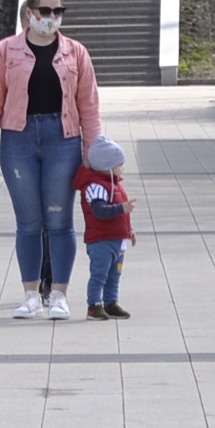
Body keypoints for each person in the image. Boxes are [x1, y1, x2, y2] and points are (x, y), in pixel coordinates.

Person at [0, 0, 103, 320]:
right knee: (29, 221)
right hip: (18, 139)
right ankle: (31, 294)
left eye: (58, 11)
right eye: (45, 11)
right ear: (30, 14)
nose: (52, 17)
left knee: (60, 219)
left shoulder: (75, 52)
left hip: (62, 138)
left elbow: (89, 106)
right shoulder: (6, 51)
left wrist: (93, 151)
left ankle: (59, 294)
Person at [74, 134, 136, 321]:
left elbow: (122, 216)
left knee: (114, 275)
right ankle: (94, 305)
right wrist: (121, 208)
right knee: (99, 274)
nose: (123, 168)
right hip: (101, 240)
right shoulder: (96, 186)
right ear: (107, 166)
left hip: (117, 239)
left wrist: (129, 231)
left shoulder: (115, 185)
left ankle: (111, 302)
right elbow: (99, 211)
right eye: (120, 164)